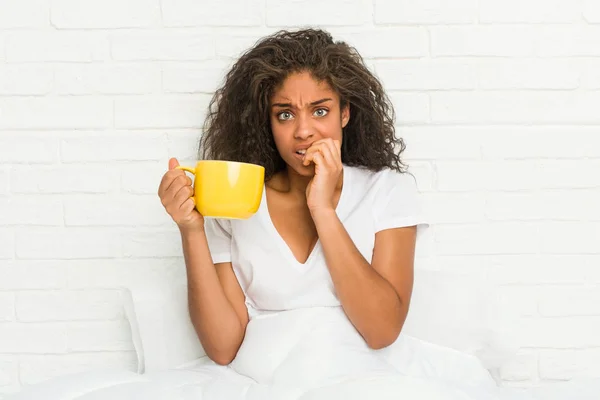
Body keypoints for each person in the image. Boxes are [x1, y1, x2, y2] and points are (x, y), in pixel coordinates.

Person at [156, 28, 453, 396]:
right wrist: (191, 230)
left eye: (321, 111)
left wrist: (323, 210)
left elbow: (382, 330)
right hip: (261, 382)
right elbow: (223, 347)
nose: (303, 131)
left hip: (363, 381)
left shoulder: (386, 190)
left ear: (345, 113)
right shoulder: (236, 204)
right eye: (284, 115)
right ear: (267, 122)